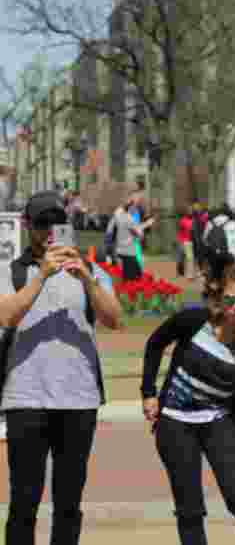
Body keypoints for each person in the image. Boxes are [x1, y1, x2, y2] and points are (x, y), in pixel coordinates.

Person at [0, 190, 122, 544]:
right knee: (24, 500)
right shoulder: (12, 270)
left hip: (78, 400)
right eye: (41, 223)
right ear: (27, 225)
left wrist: (84, 275)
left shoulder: (91, 269)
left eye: (56, 222)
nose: (49, 230)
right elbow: (6, 316)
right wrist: (41, 276)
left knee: (68, 502)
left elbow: (114, 319)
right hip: (26, 398)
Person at [141, 265, 235, 545]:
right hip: (175, 422)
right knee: (190, 508)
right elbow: (154, 344)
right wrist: (148, 392)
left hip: (217, 421)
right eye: (231, 300)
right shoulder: (193, 321)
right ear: (220, 298)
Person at [108, 193, 153, 280]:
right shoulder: (128, 219)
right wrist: (147, 224)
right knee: (133, 277)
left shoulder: (118, 213)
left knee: (132, 274)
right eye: (134, 205)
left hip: (121, 248)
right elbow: (137, 232)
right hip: (128, 250)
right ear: (131, 207)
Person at [177, 209, 195, 280]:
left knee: (190, 258)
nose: (190, 213)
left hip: (189, 242)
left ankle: (190, 275)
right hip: (182, 241)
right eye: (189, 212)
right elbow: (180, 230)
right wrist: (179, 240)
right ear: (186, 213)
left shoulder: (194, 221)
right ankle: (180, 271)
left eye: (191, 212)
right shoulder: (182, 220)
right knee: (180, 259)